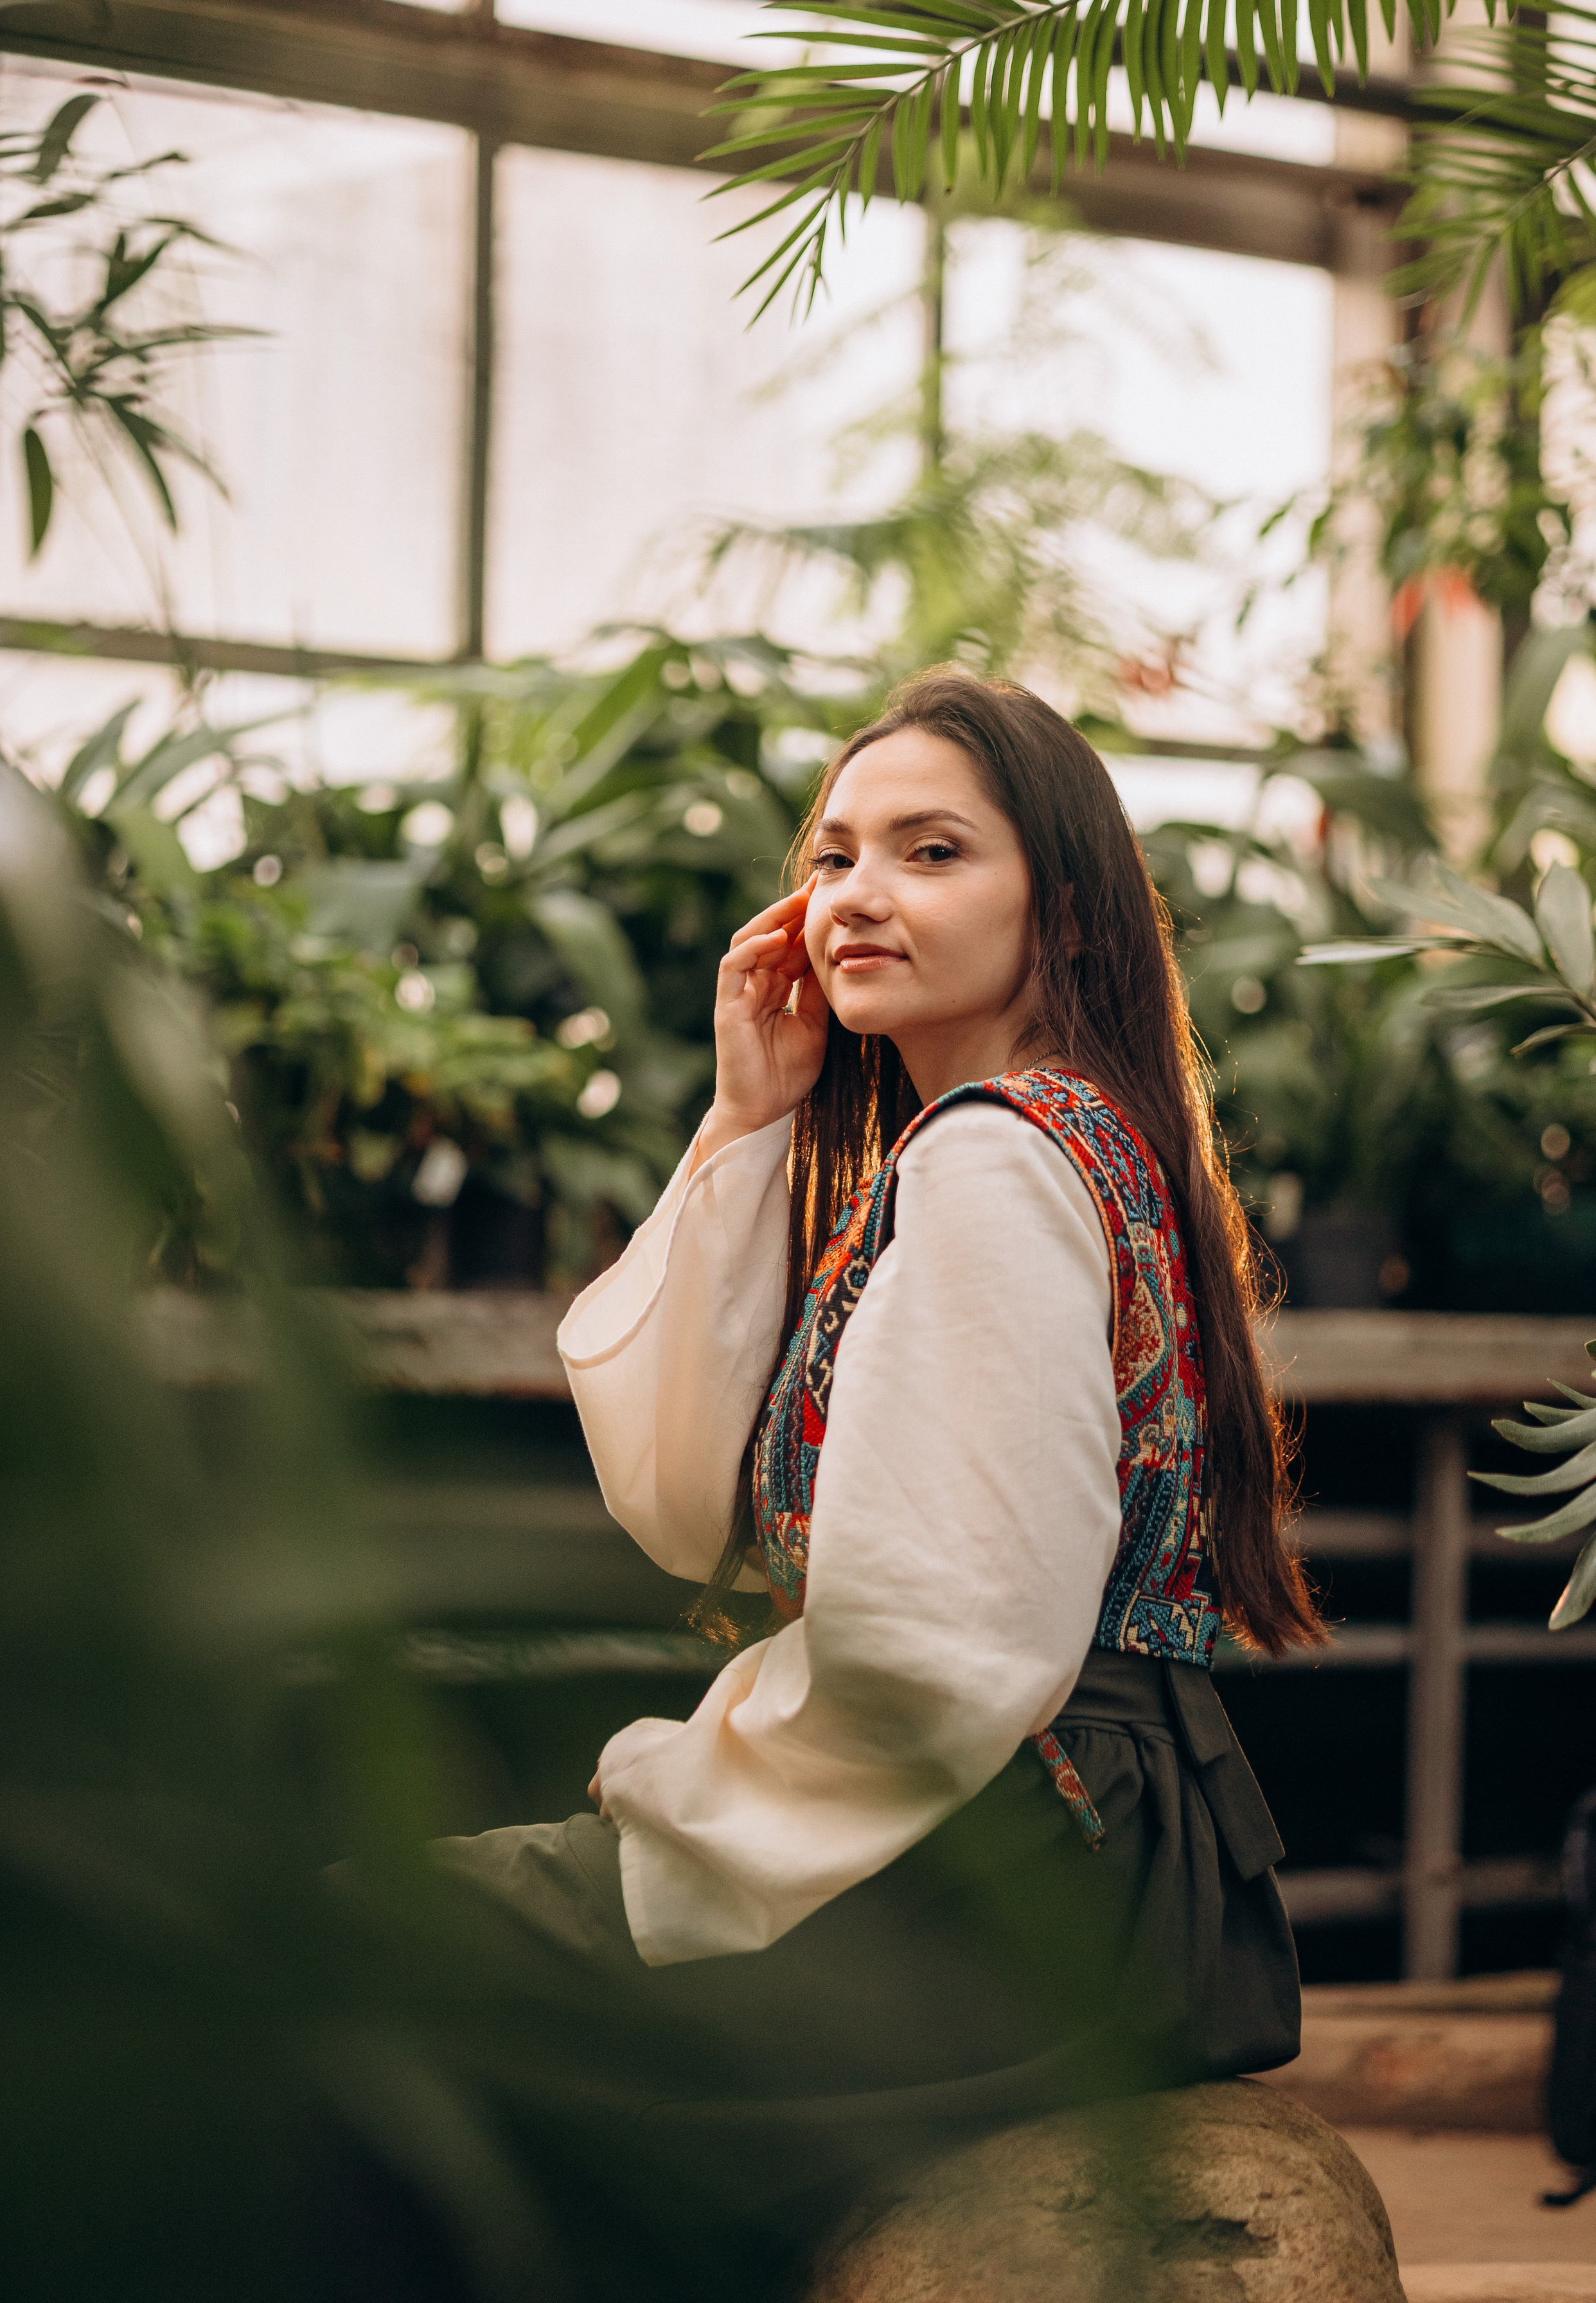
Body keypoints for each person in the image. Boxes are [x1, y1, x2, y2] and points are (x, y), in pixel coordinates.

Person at [429, 666, 1323, 2302]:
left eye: (929, 853)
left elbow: (940, 1649)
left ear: (1058, 912)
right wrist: (747, 1117)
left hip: (997, 1873)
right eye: (834, 854)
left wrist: (677, 1827)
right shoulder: (1051, 1136)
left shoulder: (990, 1159)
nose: (854, 895)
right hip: (1084, 1853)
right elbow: (678, 1496)